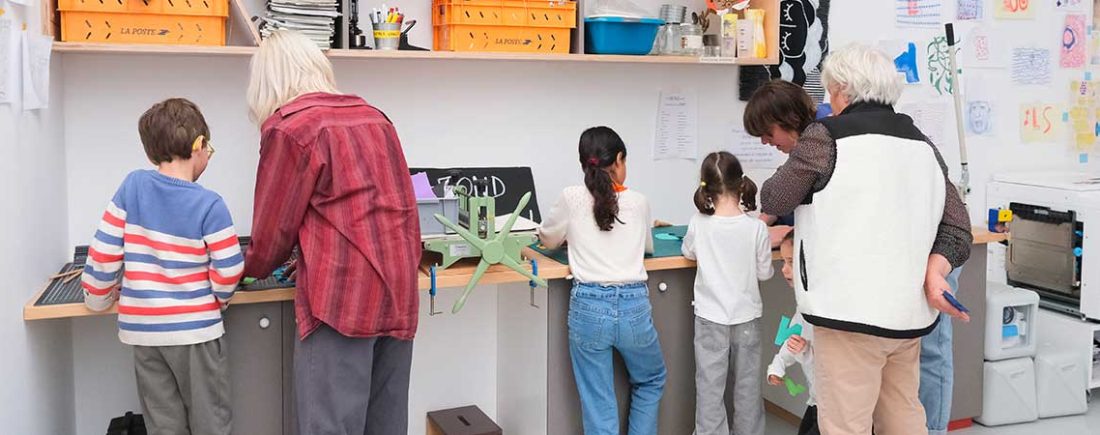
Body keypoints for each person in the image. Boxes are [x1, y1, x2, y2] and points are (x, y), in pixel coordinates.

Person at [759, 44, 973, 435]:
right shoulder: (922, 144)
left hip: (847, 317)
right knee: (903, 417)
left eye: (828, 92)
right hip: (905, 318)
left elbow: (774, 197)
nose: (827, 101)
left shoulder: (826, 137)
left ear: (842, 88)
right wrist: (936, 270)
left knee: (845, 424)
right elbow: (959, 228)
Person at [241, 30, 421, 435]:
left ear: (267, 82)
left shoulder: (290, 128)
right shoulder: (375, 117)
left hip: (342, 301)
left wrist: (242, 268)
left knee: (329, 427)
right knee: (386, 425)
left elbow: (272, 233)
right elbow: (397, 206)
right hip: (398, 292)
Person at [81, 98, 243, 435]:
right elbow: (229, 268)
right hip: (196, 334)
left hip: (145, 333)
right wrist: (219, 301)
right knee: (211, 422)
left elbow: (103, 252)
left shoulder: (132, 187)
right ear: (199, 146)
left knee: (163, 426)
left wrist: (97, 299)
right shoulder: (210, 204)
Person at [539, 126, 667, 435]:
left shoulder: (571, 197)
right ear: (619, 160)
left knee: (598, 400)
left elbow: (548, 238)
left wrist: (572, 236)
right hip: (634, 307)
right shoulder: (638, 201)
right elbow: (647, 247)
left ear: (584, 163)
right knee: (651, 379)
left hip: (588, 307)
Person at [681, 151, 773, 435]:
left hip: (710, 319)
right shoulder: (756, 228)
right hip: (747, 319)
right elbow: (765, 273)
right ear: (740, 183)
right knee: (747, 389)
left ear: (705, 186)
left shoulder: (699, 222)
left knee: (709, 390)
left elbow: (688, 251)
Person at [743, 79, 817, 229]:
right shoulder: (802, 144)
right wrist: (760, 225)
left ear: (790, 119)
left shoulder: (820, 144)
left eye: (768, 133)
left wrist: (787, 235)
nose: (764, 141)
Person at [766, 231, 818, 435]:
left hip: (832, 404)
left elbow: (832, 363)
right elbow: (791, 341)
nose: (783, 269)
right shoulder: (802, 309)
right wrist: (777, 367)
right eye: (783, 261)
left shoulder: (819, 313)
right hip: (817, 400)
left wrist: (805, 351)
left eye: (790, 262)